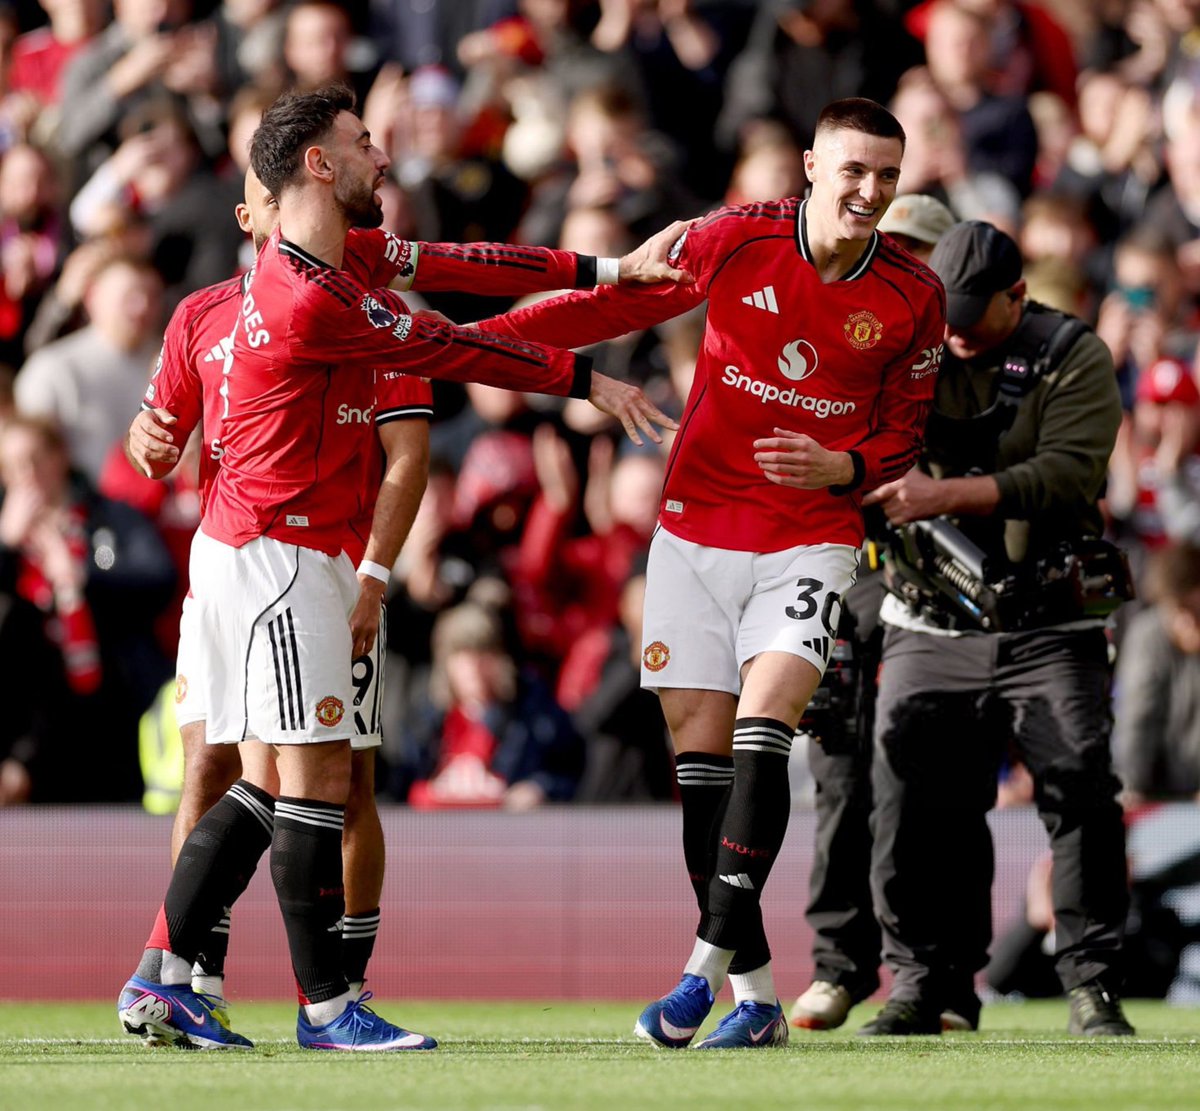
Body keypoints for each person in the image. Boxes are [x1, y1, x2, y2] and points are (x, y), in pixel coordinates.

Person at [115, 82, 679, 1054]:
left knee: (266, 780)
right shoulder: (310, 299)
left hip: (256, 550)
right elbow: (448, 343)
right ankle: (326, 1005)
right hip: (282, 552)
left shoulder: (341, 261)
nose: (383, 155)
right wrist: (586, 379)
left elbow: (469, 264)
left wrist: (604, 267)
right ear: (319, 166)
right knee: (314, 777)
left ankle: (164, 974)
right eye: (364, 142)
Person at [475, 97, 946, 1049]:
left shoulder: (910, 294)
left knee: (765, 732)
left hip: (810, 536)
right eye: (853, 170)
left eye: (887, 176)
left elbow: (904, 431)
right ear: (811, 166)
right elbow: (617, 302)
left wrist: (845, 469)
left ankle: (699, 977)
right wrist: (484, 340)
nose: (870, 191)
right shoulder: (737, 240)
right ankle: (760, 1000)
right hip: (693, 532)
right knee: (702, 766)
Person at [859, 220, 1135, 1037]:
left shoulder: (1072, 356)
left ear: (1020, 295)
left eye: (975, 317)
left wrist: (942, 495)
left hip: (1048, 617)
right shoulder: (913, 345)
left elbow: (1069, 472)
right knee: (910, 794)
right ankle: (924, 981)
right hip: (930, 613)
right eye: (945, 315)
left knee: (1080, 785)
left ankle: (1091, 982)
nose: (954, 335)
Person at [788, 192, 954, 1032]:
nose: (915, 268)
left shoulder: (964, 363)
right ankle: (838, 965)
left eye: (930, 254)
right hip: (850, 571)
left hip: (944, 591)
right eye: (905, 251)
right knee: (839, 769)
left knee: (918, 775)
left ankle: (930, 971)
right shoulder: (840, 346)